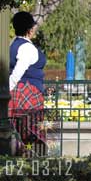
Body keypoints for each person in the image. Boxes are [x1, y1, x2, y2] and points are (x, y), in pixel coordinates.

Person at [8, 11, 47, 156]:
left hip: (19, 91)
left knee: (21, 129)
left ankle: (24, 156)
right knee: (32, 129)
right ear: (30, 29)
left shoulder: (14, 44)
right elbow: (17, 72)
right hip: (27, 92)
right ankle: (36, 162)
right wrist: (8, 91)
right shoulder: (27, 48)